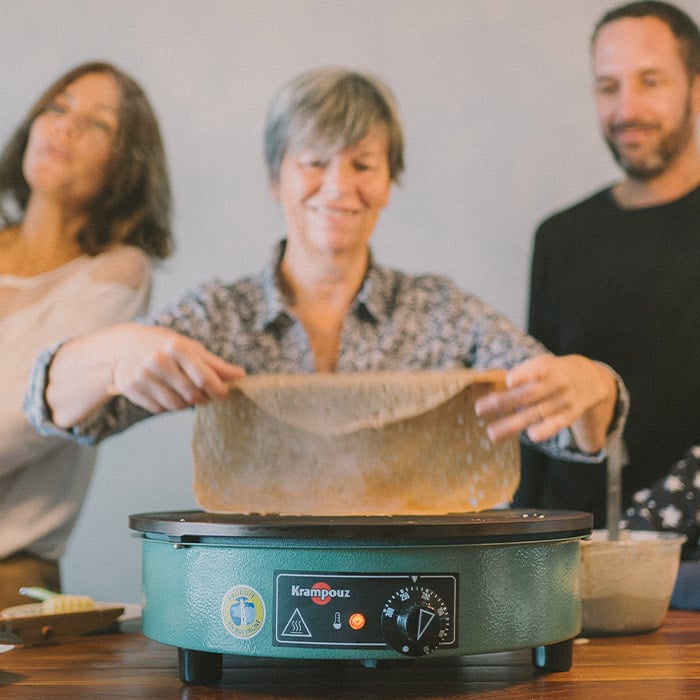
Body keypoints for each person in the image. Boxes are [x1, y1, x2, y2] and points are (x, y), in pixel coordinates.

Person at [26, 67, 625, 521]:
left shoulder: (442, 313)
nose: (339, 187)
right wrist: (117, 352)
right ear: (275, 177)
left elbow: (574, 421)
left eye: (364, 164)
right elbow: (55, 407)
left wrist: (591, 385)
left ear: (390, 182)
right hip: (254, 603)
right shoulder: (219, 316)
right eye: (314, 161)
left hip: (419, 589)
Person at [514, 2, 700, 605]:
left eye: (651, 81)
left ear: (696, 88)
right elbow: (534, 418)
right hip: (564, 568)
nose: (627, 110)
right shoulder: (560, 238)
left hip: (689, 571)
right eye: (608, 86)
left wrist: (653, 534)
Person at [0, 61, 173, 608]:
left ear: (125, 168)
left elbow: (22, 416)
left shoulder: (117, 273)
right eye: (58, 106)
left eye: (97, 123)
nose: (65, 126)